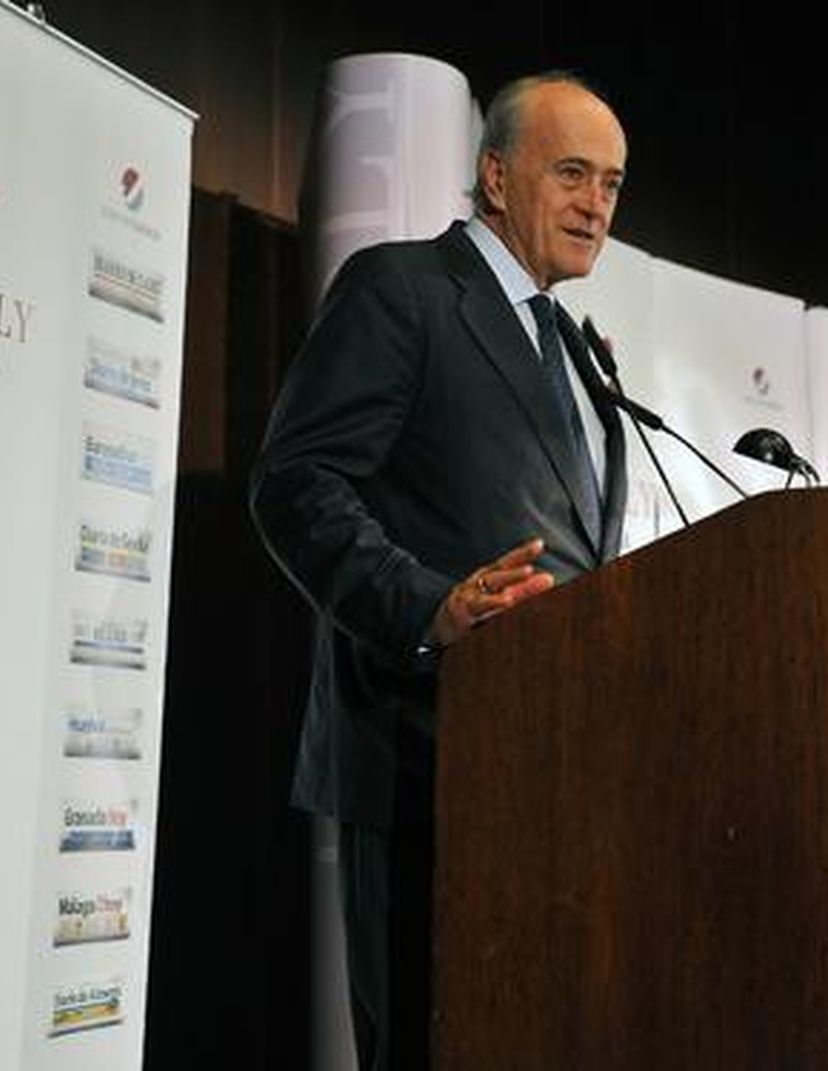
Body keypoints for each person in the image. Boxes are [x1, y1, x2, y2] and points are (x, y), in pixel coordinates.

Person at [249, 73, 629, 1071]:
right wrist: (430, 606)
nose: (597, 204)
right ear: (496, 177)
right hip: (425, 756)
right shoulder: (404, 290)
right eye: (574, 174)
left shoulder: (581, 351)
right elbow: (296, 483)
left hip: (553, 767)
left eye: (614, 185)